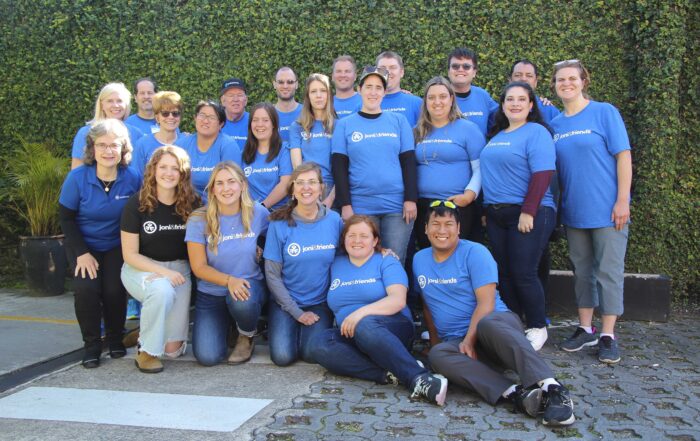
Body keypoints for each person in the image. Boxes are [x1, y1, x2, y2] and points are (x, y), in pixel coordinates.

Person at [414, 201, 575, 426]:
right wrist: (435, 342)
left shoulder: (475, 252)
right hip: (461, 343)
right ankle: (516, 394)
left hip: (496, 328)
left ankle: (553, 389)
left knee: (487, 323)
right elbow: (428, 304)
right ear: (425, 228)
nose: (442, 230)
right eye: (436, 224)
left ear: (459, 228)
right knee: (438, 355)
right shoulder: (419, 259)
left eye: (449, 224)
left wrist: (470, 340)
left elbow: (486, 304)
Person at [309, 215, 448, 406]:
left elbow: (398, 300)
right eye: (352, 235)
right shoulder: (335, 264)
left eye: (364, 236)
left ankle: (420, 378)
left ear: (375, 241)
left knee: (365, 324)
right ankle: (388, 374)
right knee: (319, 343)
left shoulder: (386, 261)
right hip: (350, 333)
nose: (357, 241)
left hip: (391, 327)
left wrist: (360, 313)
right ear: (344, 239)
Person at [550, 60, 632, 364]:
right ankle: (585, 327)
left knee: (609, 273)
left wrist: (622, 200)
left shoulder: (604, 112)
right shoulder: (556, 124)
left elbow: (623, 157)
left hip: (609, 211)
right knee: (582, 272)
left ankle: (608, 334)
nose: (566, 84)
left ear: (584, 81)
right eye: (561, 80)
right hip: (574, 212)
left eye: (572, 78)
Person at [59, 119, 141, 368]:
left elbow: (139, 214)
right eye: (102, 145)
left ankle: (115, 339)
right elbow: (66, 218)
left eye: (114, 145)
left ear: (123, 149)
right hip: (85, 245)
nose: (108, 151)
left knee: (114, 290)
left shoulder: (132, 177)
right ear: (92, 148)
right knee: (87, 290)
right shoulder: (77, 178)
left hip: (117, 245)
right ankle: (92, 345)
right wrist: (81, 253)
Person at [481, 82, 557, 351]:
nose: (515, 104)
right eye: (509, 99)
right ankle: (514, 324)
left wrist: (528, 210)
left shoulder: (537, 132)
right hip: (496, 214)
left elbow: (542, 174)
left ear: (531, 105)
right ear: (502, 105)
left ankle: (537, 326)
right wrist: (486, 210)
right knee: (505, 273)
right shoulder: (497, 134)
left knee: (524, 272)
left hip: (529, 212)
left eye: (521, 99)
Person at [120, 146, 200, 373]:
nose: (169, 173)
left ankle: (148, 327)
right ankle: (146, 352)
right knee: (161, 290)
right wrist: (163, 273)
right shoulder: (136, 203)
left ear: (183, 173)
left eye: (175, 168)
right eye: (163, 167)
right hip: (140, 267)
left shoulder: (193, 203)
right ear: (153, 170)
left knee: (173, 350)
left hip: (179, 270)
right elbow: (129, 254)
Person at [185, 161, 269, 366]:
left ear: (243, 185)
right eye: (219, 183)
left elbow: (276, 241)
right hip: (211, 292)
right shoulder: (198, 219)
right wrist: (229, 280)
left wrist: (262, 250)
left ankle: (246, 334)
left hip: (248, 287)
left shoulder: (259, 213)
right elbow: (198, 267)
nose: (226, 188)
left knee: (241, 300)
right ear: (212, 189)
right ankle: (229, 326)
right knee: (208, 357)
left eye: (231, 182)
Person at [331, 66, 417, 265]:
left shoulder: (399, 121)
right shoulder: (345, 124)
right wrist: (345, 205)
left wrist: (410, 199)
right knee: (364, 260)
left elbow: (408, 162)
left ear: (385, 92)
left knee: (394, 261)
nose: (373, 92)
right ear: (359, 89)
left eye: (378, 87)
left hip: (396, 207)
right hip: (361, 206)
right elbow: (339, 167)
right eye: (368, 86)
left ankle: (396, 297)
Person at [263, 163, 343, 366]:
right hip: (286, 301)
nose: (306, 188)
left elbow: (350, 254)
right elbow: (272, 274)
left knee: (311, 355)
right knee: (282, 357)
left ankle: (310, 333)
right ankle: (290, 327)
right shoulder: (278, 224)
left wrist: (381, 251)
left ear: (321, 188)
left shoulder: (334, 220)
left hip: (319, 302)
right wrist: (296, 313)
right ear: (292, 189)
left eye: (312, 182)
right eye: (300, 183)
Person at [414, 76, 485, 249]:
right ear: (425, 102)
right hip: (425, 208)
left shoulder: (468, 129)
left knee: (458, 258)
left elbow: (480, 168)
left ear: (451, 99)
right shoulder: (416, 132)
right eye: (431, 97)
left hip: (458, 206)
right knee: (428, 256)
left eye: (442, 96)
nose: (437, 102)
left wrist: (469, 196)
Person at [178, 100, 242, 201]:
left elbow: (232, 185)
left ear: (220, 124)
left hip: (218, 205)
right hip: (184, 204)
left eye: (212, 117)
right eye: (202, 115)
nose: (205, 121)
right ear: (195, 118)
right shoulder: (182, 144)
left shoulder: (228, 146)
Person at [71, 82, 145, 169]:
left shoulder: (136, 134)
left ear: (127, 105)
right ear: (102, 104)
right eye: (110, 101)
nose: (115, 105)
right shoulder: (86, 132)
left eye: (120, 101)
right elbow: (77, 169)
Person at [289, 73, 336, 207]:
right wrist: (306, 190)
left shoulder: (338, 126)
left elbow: (342, 168)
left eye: (323, 91)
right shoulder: (297, 127)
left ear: (329, 95)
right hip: (306, 189)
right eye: (313, 91)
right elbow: (297, 168)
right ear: (308, 96)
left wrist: (330, 198)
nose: (318, 95)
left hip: (331, 190)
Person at [241, 102, 293, 210]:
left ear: (273, 124)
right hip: (251, 214)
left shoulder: (283, 150)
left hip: (280, 214)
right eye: (255, 120)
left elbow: (286, 183)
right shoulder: (243, 154)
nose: (260, 124)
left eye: (265, 120)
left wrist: (262, 207)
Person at [131, 91, 186, 177]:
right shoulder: (142, 144)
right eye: (165, 113)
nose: (171, 117)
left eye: (175, 113)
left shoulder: (187, 142)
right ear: (157, 117)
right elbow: (136, 177)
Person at [446, 48, 498, 136]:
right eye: (455, 66)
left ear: (474, 72)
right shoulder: (439, 97)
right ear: (448, 72)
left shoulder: (483, 96)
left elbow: (503, 119)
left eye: (466, 66)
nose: (460, 69)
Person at [376, 51, 422, 126]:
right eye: (382, 68)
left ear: (401, 72)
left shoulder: (417, 103)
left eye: (393, 67)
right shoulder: (365, 104)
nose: (388, 72)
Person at [509, 60, 560, 125]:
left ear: (535, 82)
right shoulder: (502, 111)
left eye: (529, 76)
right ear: (510, 80)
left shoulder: (549, 111)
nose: (524, 79)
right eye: (518, 75)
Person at [273, 67, 302, 143]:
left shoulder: (307, 113)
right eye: (280, 82)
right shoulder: (267, 114)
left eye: (290, 82)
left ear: (296, 84)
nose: (285, 86)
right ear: (274, 84)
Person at [220, 77, 250, 144]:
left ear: (246, 100)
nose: (235, 99)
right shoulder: (215, 123)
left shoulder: (254, 122)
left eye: (239, 95)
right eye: (231, 95)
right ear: (223, 101)